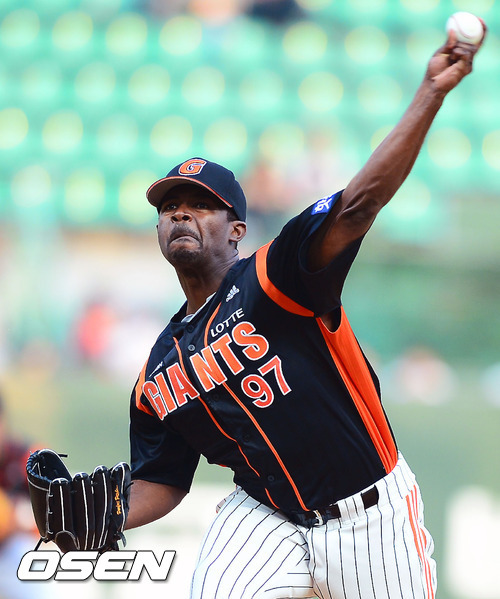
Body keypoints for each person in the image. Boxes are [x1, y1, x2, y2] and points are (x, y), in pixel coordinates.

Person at [125, 29, 484, 599]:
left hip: (369, 515)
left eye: (201, 205)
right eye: (170, 207)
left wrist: (430, 93)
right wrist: (100, 516)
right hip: (265, 515)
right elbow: (161, 478)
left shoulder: (277, 276)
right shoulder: (159, 370)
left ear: (237, 230)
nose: (181, 214)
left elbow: (358, 204)